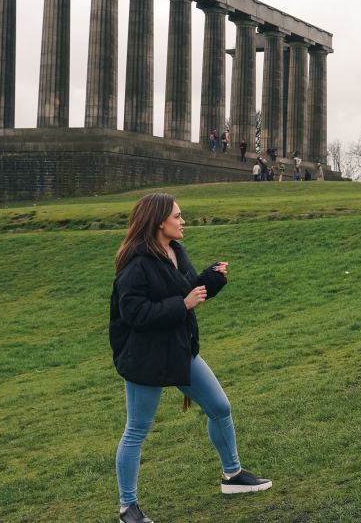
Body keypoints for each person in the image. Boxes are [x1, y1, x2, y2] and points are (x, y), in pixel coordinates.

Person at [109, 193, 272, 523]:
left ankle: (233, 475)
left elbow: (185, 290)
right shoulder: (135, 263)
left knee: (220, 407)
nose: (183, 221)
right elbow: (134, 313)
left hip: (181, 351)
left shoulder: (175, 251)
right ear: (159, 223)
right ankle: (128, 508)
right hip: (146, 359)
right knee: (137, 430)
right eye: (178, 217)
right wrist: (183, 304)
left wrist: (210, 279)